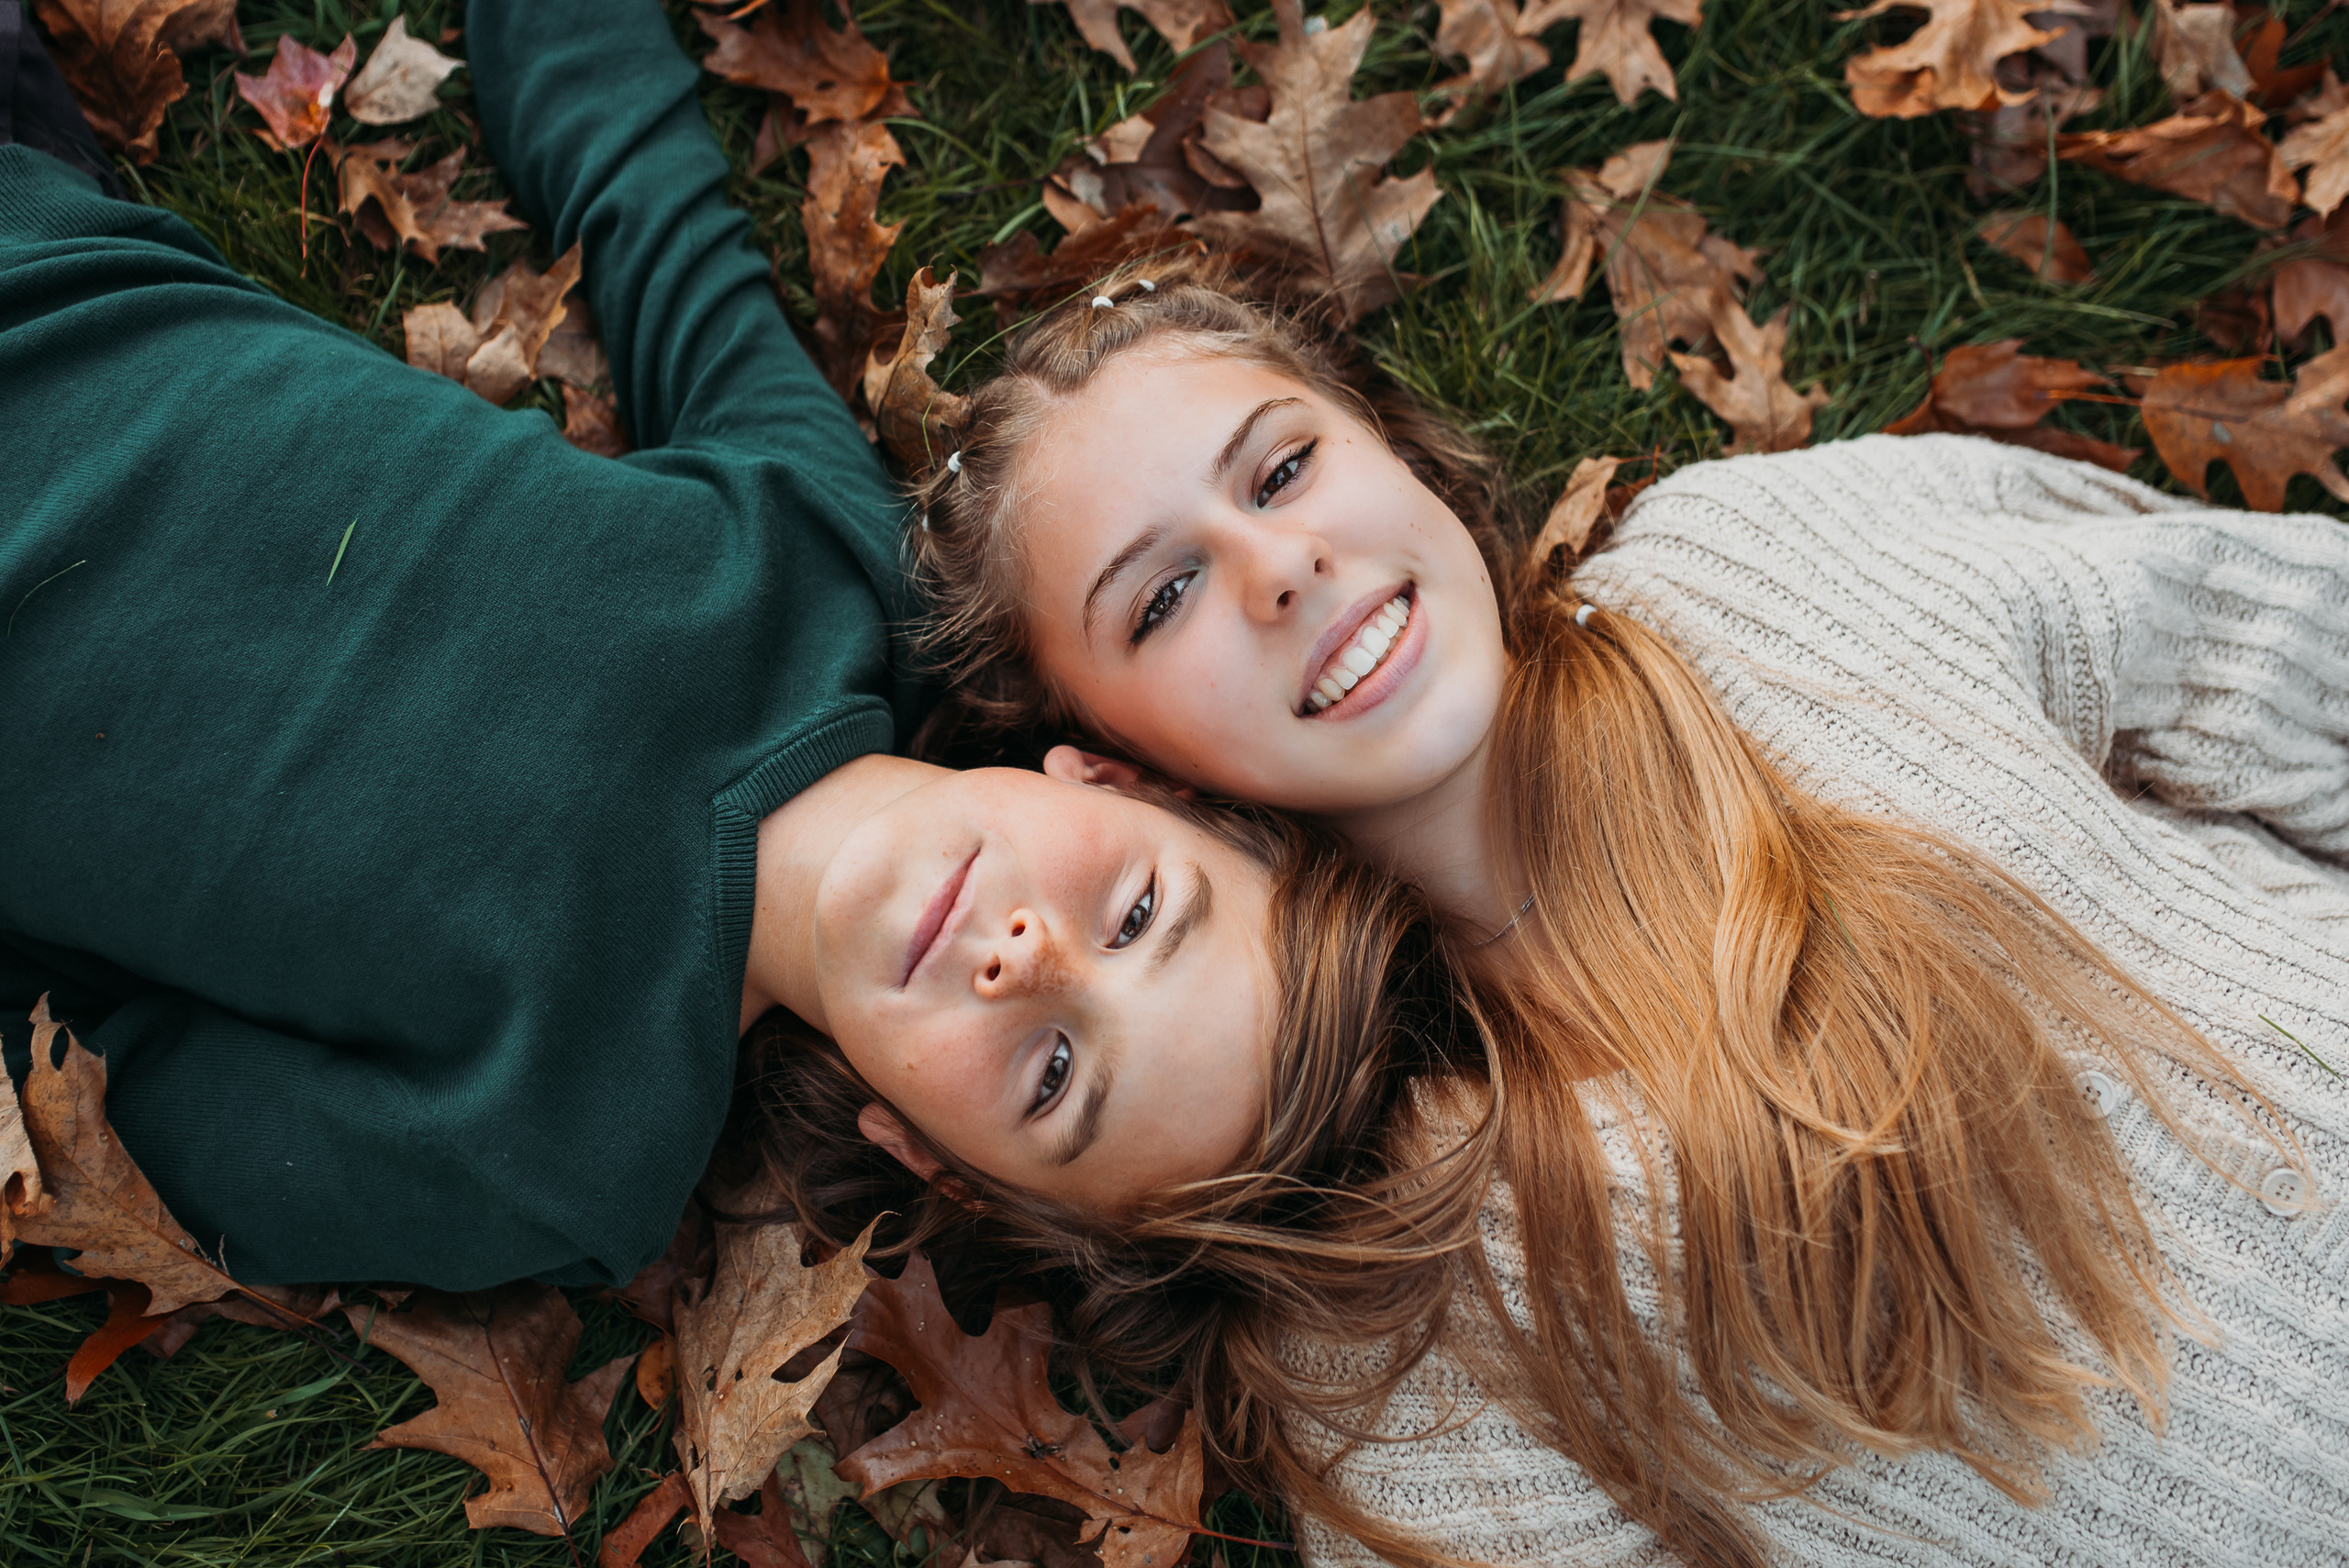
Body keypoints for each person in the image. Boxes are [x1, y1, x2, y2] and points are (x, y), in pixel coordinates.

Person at [797, 253, 2349, 1565]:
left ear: (1391, 445)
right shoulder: (1394, 1349)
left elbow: (2297, 653)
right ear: (1124, 771)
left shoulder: (1776, 569)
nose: (1281, 567)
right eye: (1164, 597)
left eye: (1283, 467)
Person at [0, 6, 1444, 1295]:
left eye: (1056, 1076)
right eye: (1134, 914)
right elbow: (645, 208)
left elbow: (71, 1101)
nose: (1026, 958)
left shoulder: (547, 1154)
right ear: (1126, 782)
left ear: (938, 1160)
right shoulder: (831, 566)